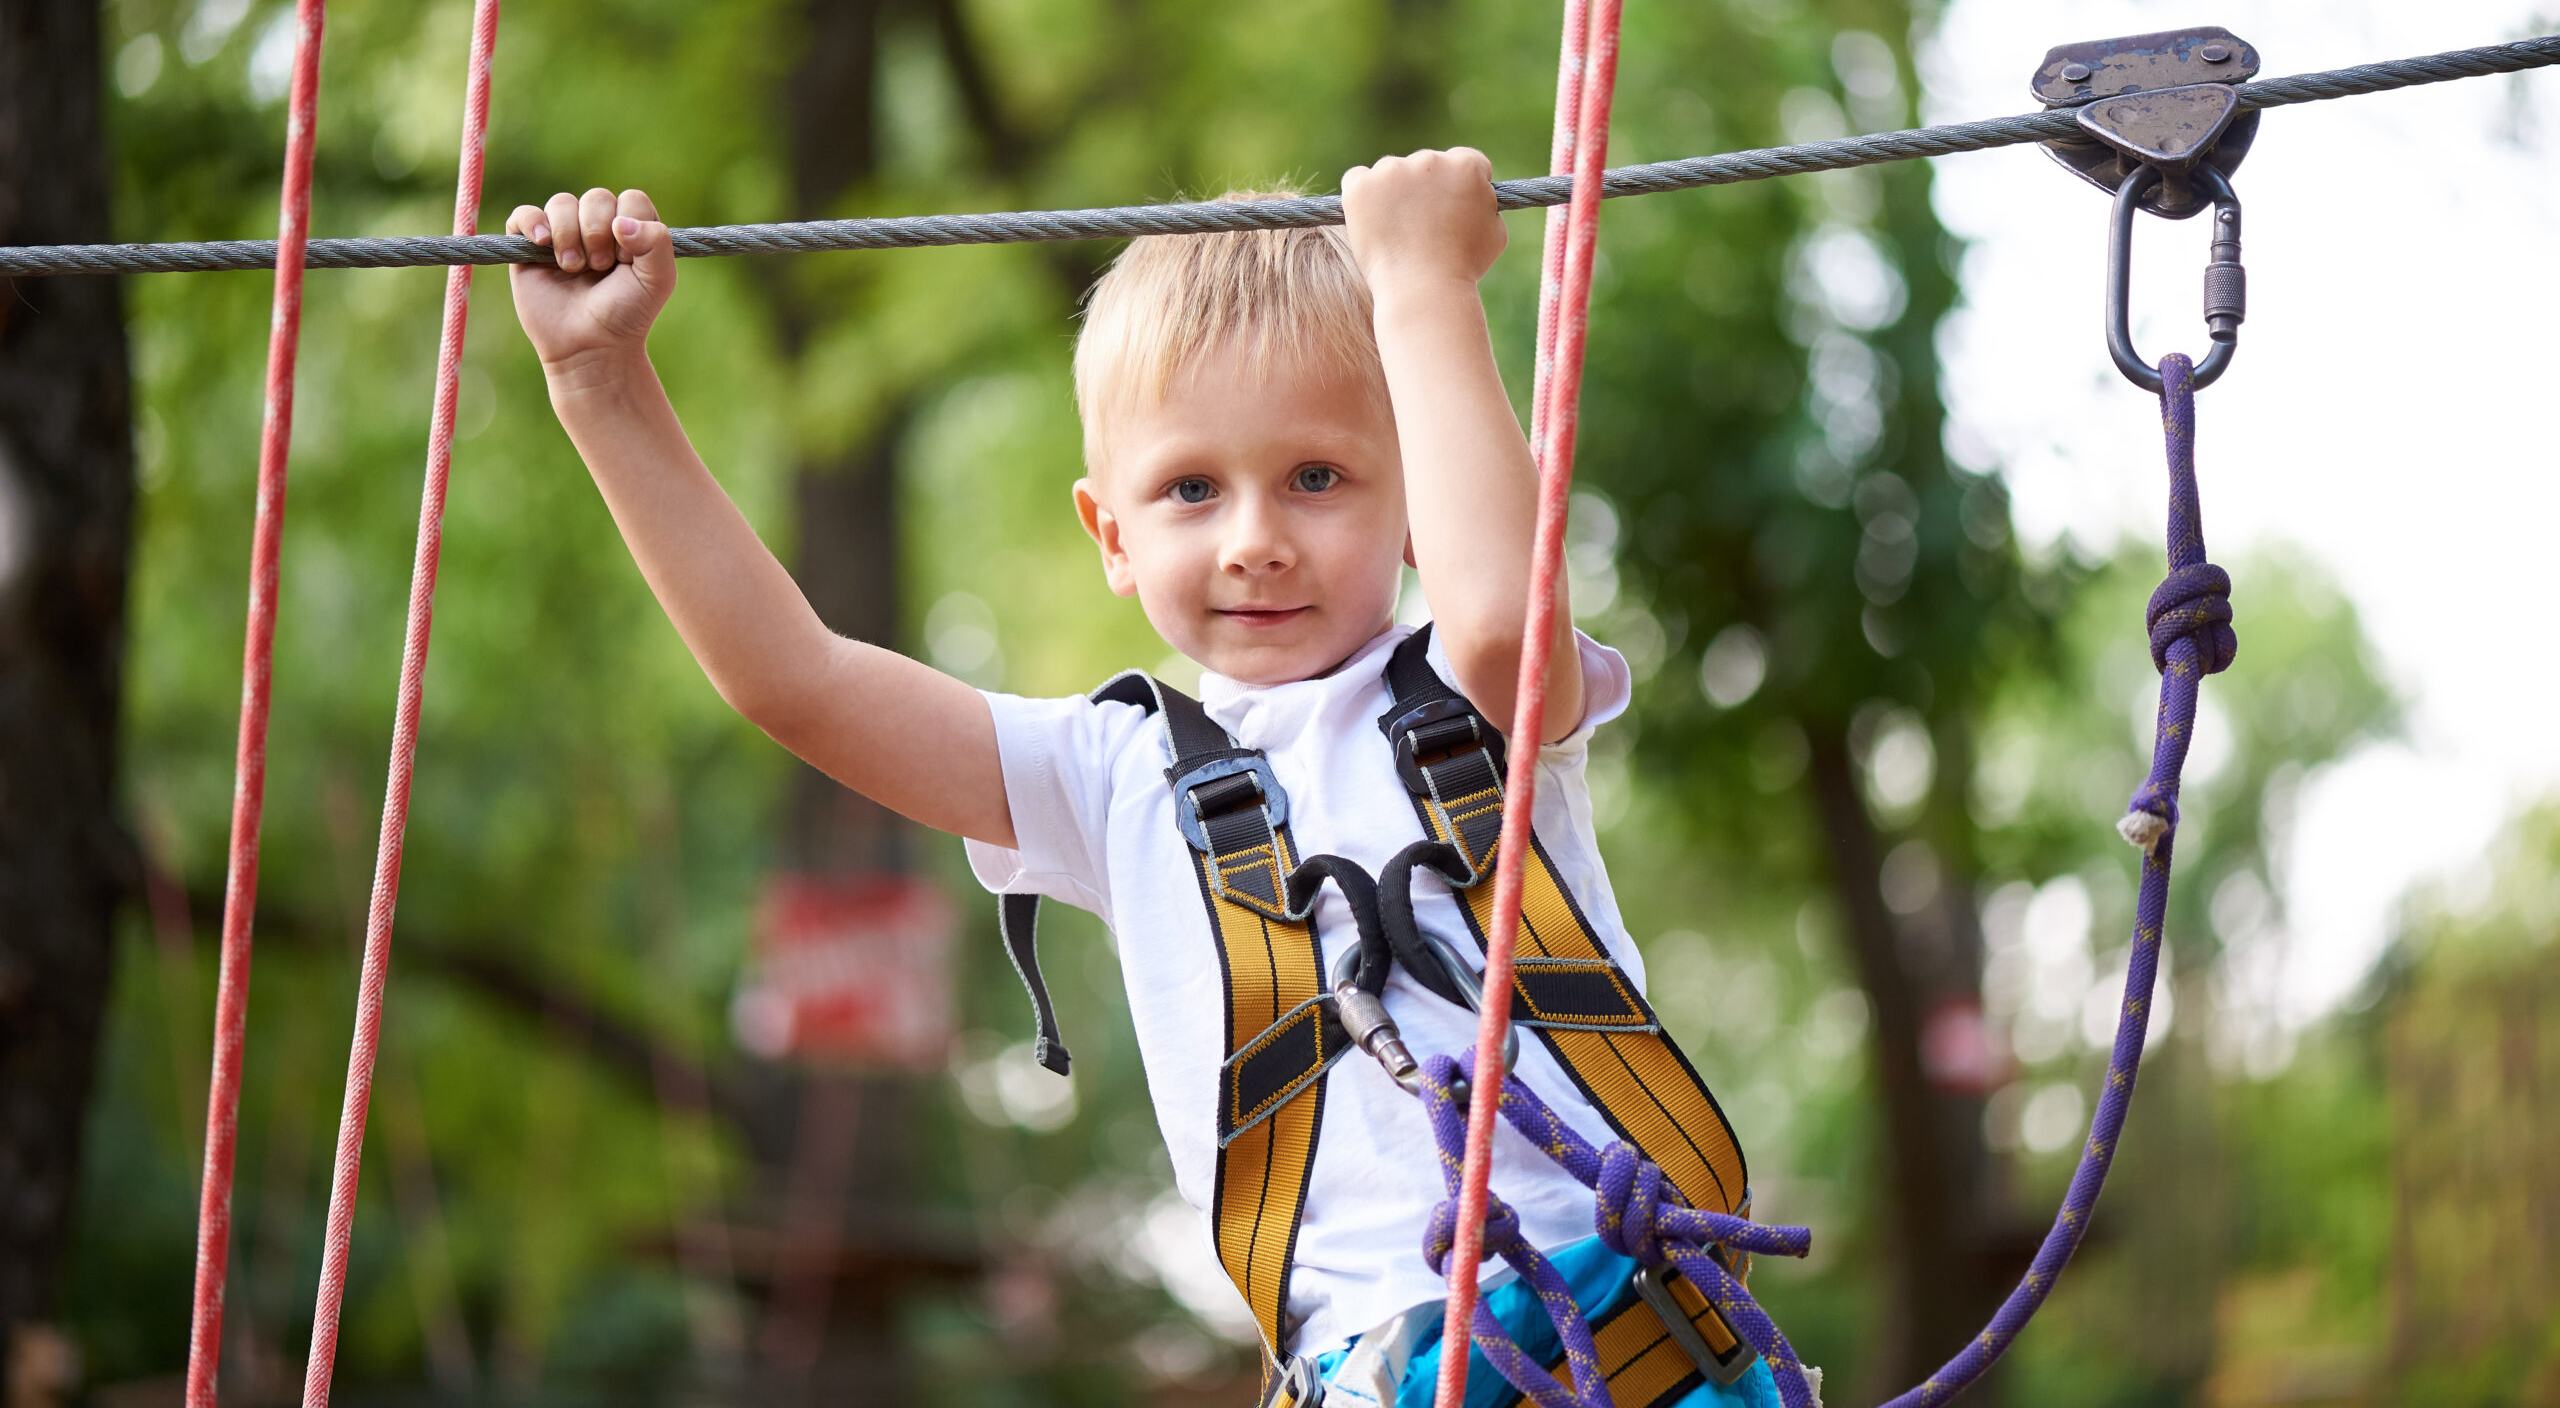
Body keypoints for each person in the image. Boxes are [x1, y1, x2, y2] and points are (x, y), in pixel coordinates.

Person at [505, 151, 1775, 1408]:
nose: (1256, 539)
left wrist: (1423, 285)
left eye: (1318, 478)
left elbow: (1500, 616)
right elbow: (799, 680)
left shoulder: (1474, 693)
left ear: (1412, 500)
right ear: (1111, 533)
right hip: (1378, 1367)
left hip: (1628, 1335)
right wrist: (600, 385)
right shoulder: (1113, 774)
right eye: (1189, 490)